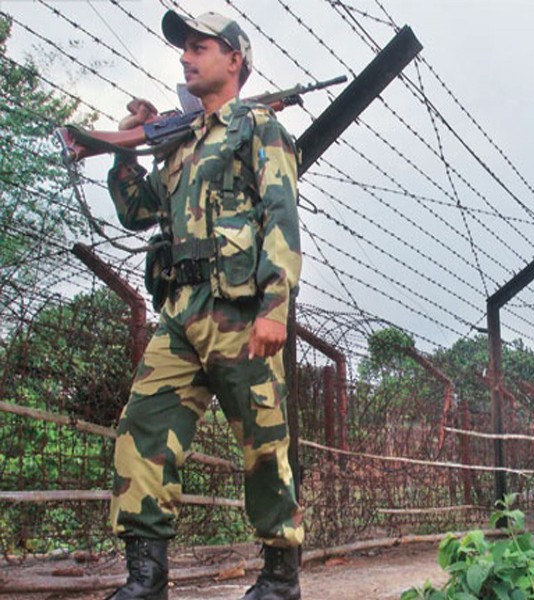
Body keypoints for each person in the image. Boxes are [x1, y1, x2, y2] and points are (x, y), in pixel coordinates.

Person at [105, 10, 303, 600]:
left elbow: (281, 216)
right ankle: (146, 578)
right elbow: (138, 211)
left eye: (200, 47)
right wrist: (125, 149)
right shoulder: (179, 144)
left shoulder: (257, 127)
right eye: (184, 49)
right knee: (142, 429)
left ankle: (280, 577)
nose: (186, 57)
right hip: (180, 310)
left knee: (263, 442)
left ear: (234, 60)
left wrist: (275, 306)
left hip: (239, 310)